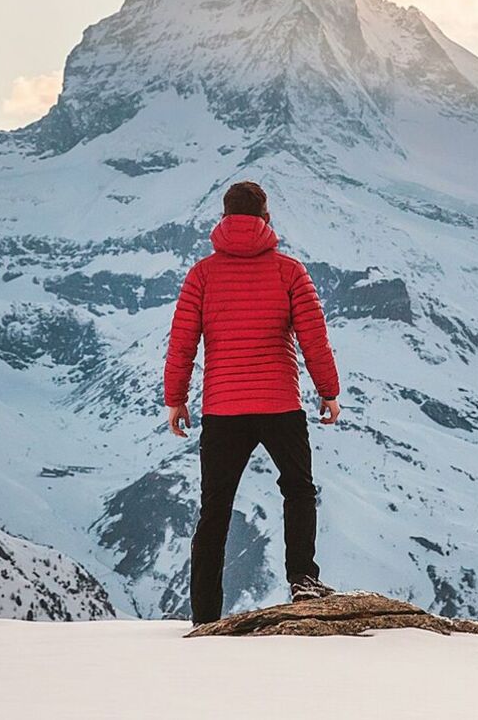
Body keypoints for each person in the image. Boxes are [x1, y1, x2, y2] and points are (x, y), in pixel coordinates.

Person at [165, 180, 342, 625]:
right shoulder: (289, 271)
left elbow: (182, 342)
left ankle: (205, 614)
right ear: (265, 216)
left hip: (223, 409)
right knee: (298, 490)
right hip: (280, 403)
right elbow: (313, 339)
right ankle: (303, 579)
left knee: (215, 508)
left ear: (223, 218)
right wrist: (329, 392)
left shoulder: (201, 274)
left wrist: (176, 399)